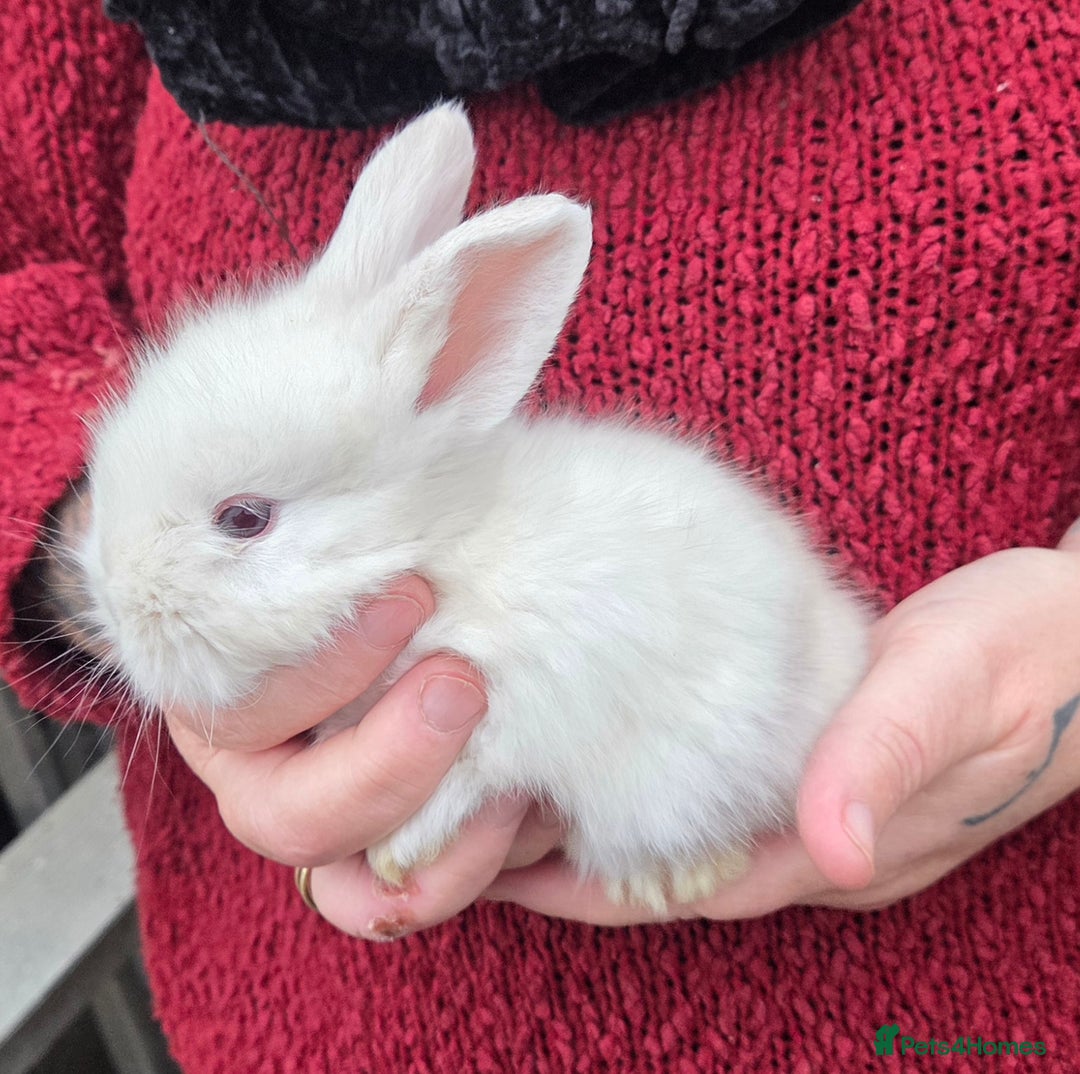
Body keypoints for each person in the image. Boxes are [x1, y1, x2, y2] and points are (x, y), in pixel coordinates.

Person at [3, 0, 1079, 1069]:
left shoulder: (505, 575)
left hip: (931, 1001)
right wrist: (74, 546)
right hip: (312, 1019)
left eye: (244, 522)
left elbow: (498, 725)